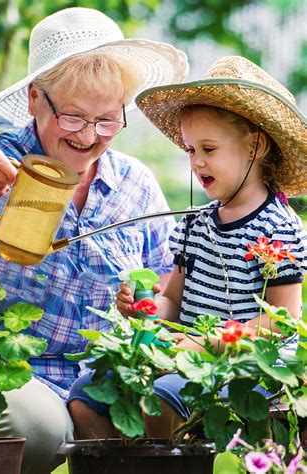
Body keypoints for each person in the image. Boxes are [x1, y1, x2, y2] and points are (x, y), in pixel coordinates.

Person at [0, 7, 189, 473]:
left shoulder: (135, 185)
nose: (89, 136)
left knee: (166, 410)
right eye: (74, 117)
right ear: (36, 98)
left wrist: (143, 306)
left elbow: (162, 293)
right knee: (36, 428)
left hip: (90, 381)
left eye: (107, 120)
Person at [68, 55, 306, 439]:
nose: (196, 162)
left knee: (163, 396)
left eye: (208, 149)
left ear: (255, 147)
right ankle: (123, 465)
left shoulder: (278, 230)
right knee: (86, 391)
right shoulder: (195, 223)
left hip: (247, 368)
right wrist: (145, 307)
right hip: (184, 356)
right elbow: (173, 302)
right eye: (191, 150)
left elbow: (281, 323)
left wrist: (207, 341)